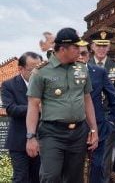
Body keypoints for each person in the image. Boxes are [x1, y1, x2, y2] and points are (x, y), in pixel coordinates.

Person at [26, 27, 99, 183]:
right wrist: (30, 137)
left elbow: (87, 99)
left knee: (75, 178)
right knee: (50, 176)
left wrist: (93, 129)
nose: (80, 51)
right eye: (76, 47)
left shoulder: (81, 69)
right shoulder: (41, 72)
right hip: (52, 133)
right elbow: (33, 106)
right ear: (63, 48)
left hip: (78, 133)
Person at [78, 43, 115, 183]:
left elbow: (114, 99)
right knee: (74, 169)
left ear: (88, 55)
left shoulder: (98, 72)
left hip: (99, 127)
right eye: (77, 53)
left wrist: (111, 122)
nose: (80, 57)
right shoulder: (64, 72)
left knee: (97, 167)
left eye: (83, 54)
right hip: (73, 128)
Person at [1, 52, 42, 183]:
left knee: (39, 178)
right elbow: (11, 109)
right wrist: (36, 108)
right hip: (19, 141)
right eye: (32, 70)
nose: (36, 73)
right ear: (20, 69)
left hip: (43, 140)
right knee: (21, 178)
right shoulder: (9, 85)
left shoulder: (46, 85)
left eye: (39, 69)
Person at [88, 30, 115, 182]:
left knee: (103, 162)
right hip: (85, 120)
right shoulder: (83, 67)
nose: (101, 49)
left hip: (106, 119)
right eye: (98, 45)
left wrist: (112, 121)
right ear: (92, 47)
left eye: (105, 46)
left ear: (109, 47)